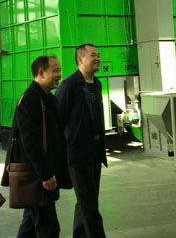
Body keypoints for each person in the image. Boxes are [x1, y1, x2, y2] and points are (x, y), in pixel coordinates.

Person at [4, 55, 69, 238]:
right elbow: (31, 143)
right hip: (37, 176)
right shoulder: (31, 99)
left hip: (42, 174)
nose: (60, 75)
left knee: (30, 226)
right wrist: (46, 174)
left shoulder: (47, 98)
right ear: (41, 72)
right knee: (48, 229)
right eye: (56, 70)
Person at [56, 44, 107, 238]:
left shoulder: (97, 84)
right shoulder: (69, 85)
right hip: (78, 153)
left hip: (96, 151)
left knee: (87, 200)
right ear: (80, 59)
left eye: (98, 55)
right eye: (93, 55)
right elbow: (58, 120)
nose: (98, 58)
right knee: (89, 204)